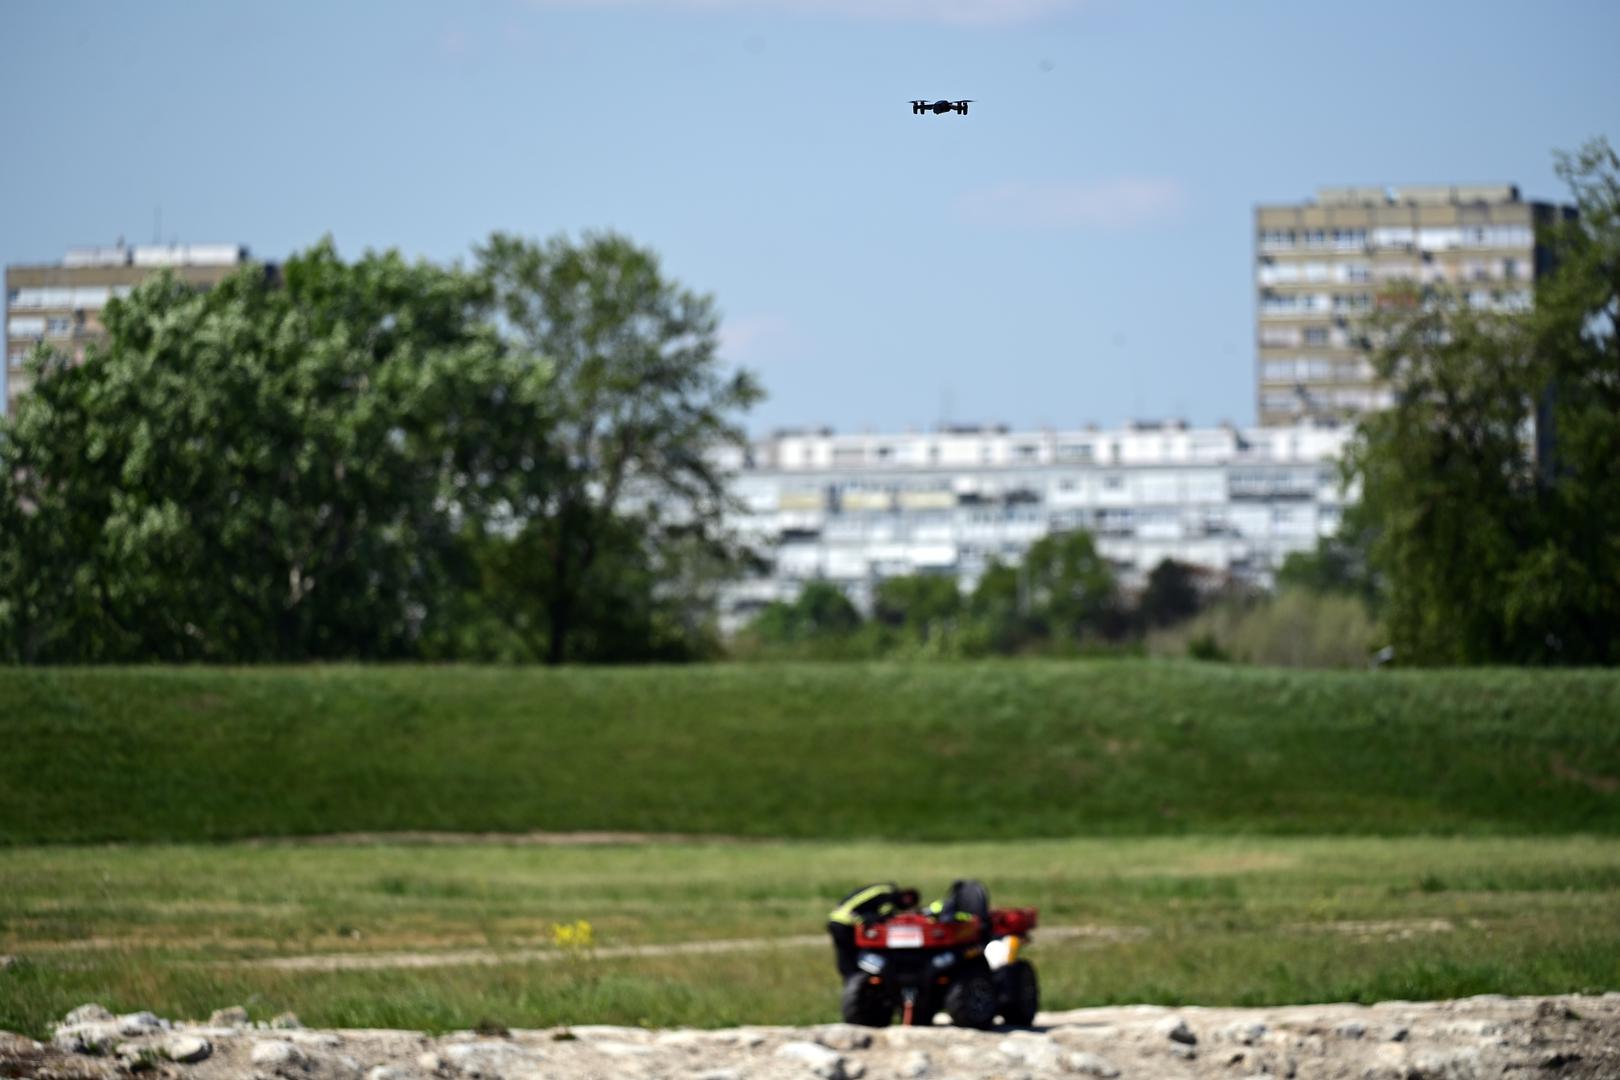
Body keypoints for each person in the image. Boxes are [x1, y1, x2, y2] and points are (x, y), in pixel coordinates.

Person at [826, 882, 919, 978]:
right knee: (855, 959)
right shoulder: (888, 894)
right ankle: (856, 983)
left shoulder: (881, 890)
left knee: (846, 958)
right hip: (846, 923)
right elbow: (885, 916)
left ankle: (852, 984)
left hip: (836, 920)